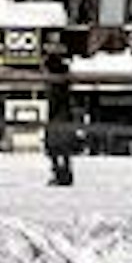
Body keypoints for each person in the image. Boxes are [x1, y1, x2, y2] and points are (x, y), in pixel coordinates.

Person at [40, 40, 78, 187]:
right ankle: (64, 173)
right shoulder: (63, 77)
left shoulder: (55, 81)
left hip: (57, 116)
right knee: (61, 148)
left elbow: (55, 100)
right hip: (63, 115)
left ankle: (61, 174)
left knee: (54, 147)